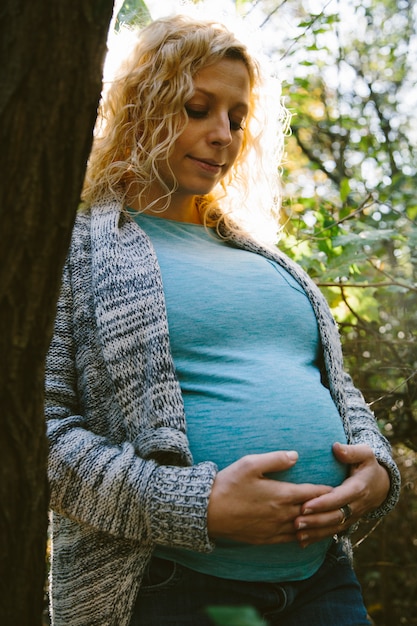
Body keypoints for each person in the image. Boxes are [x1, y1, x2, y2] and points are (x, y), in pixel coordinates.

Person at [45, 14, 401, 626]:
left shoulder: (269, 261)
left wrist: (377, 472)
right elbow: (39, 431)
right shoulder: (73, 249)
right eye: (196, 108)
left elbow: (341, 398)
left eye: (237, 119)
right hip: (169, 588)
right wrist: (193, 504)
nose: (223, 135)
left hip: (322, 581)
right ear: (138, 107)